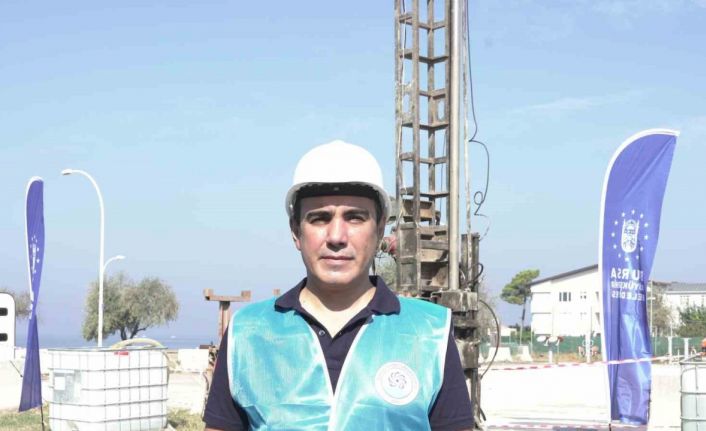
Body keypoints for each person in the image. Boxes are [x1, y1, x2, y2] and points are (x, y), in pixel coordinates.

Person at [203, 140, 474, 430]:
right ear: (295, 231)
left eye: (355, 218)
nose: (336, 237)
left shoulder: (429, 331)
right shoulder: (248, 331)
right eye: (319, 218)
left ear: (380, 228)